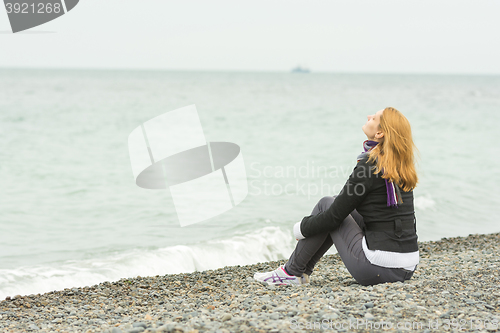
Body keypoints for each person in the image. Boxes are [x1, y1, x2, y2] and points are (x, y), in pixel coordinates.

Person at [254, 107, 419, 286]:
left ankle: (291, 272)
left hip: (377, 270)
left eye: (374, 118)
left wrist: (302, 228)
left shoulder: (370, 165)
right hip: (407, 267)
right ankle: (299, 272)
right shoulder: (400, 166)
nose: (368, 116)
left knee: (326, 204)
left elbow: (334, 217)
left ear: (379, 133)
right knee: (336, 204)